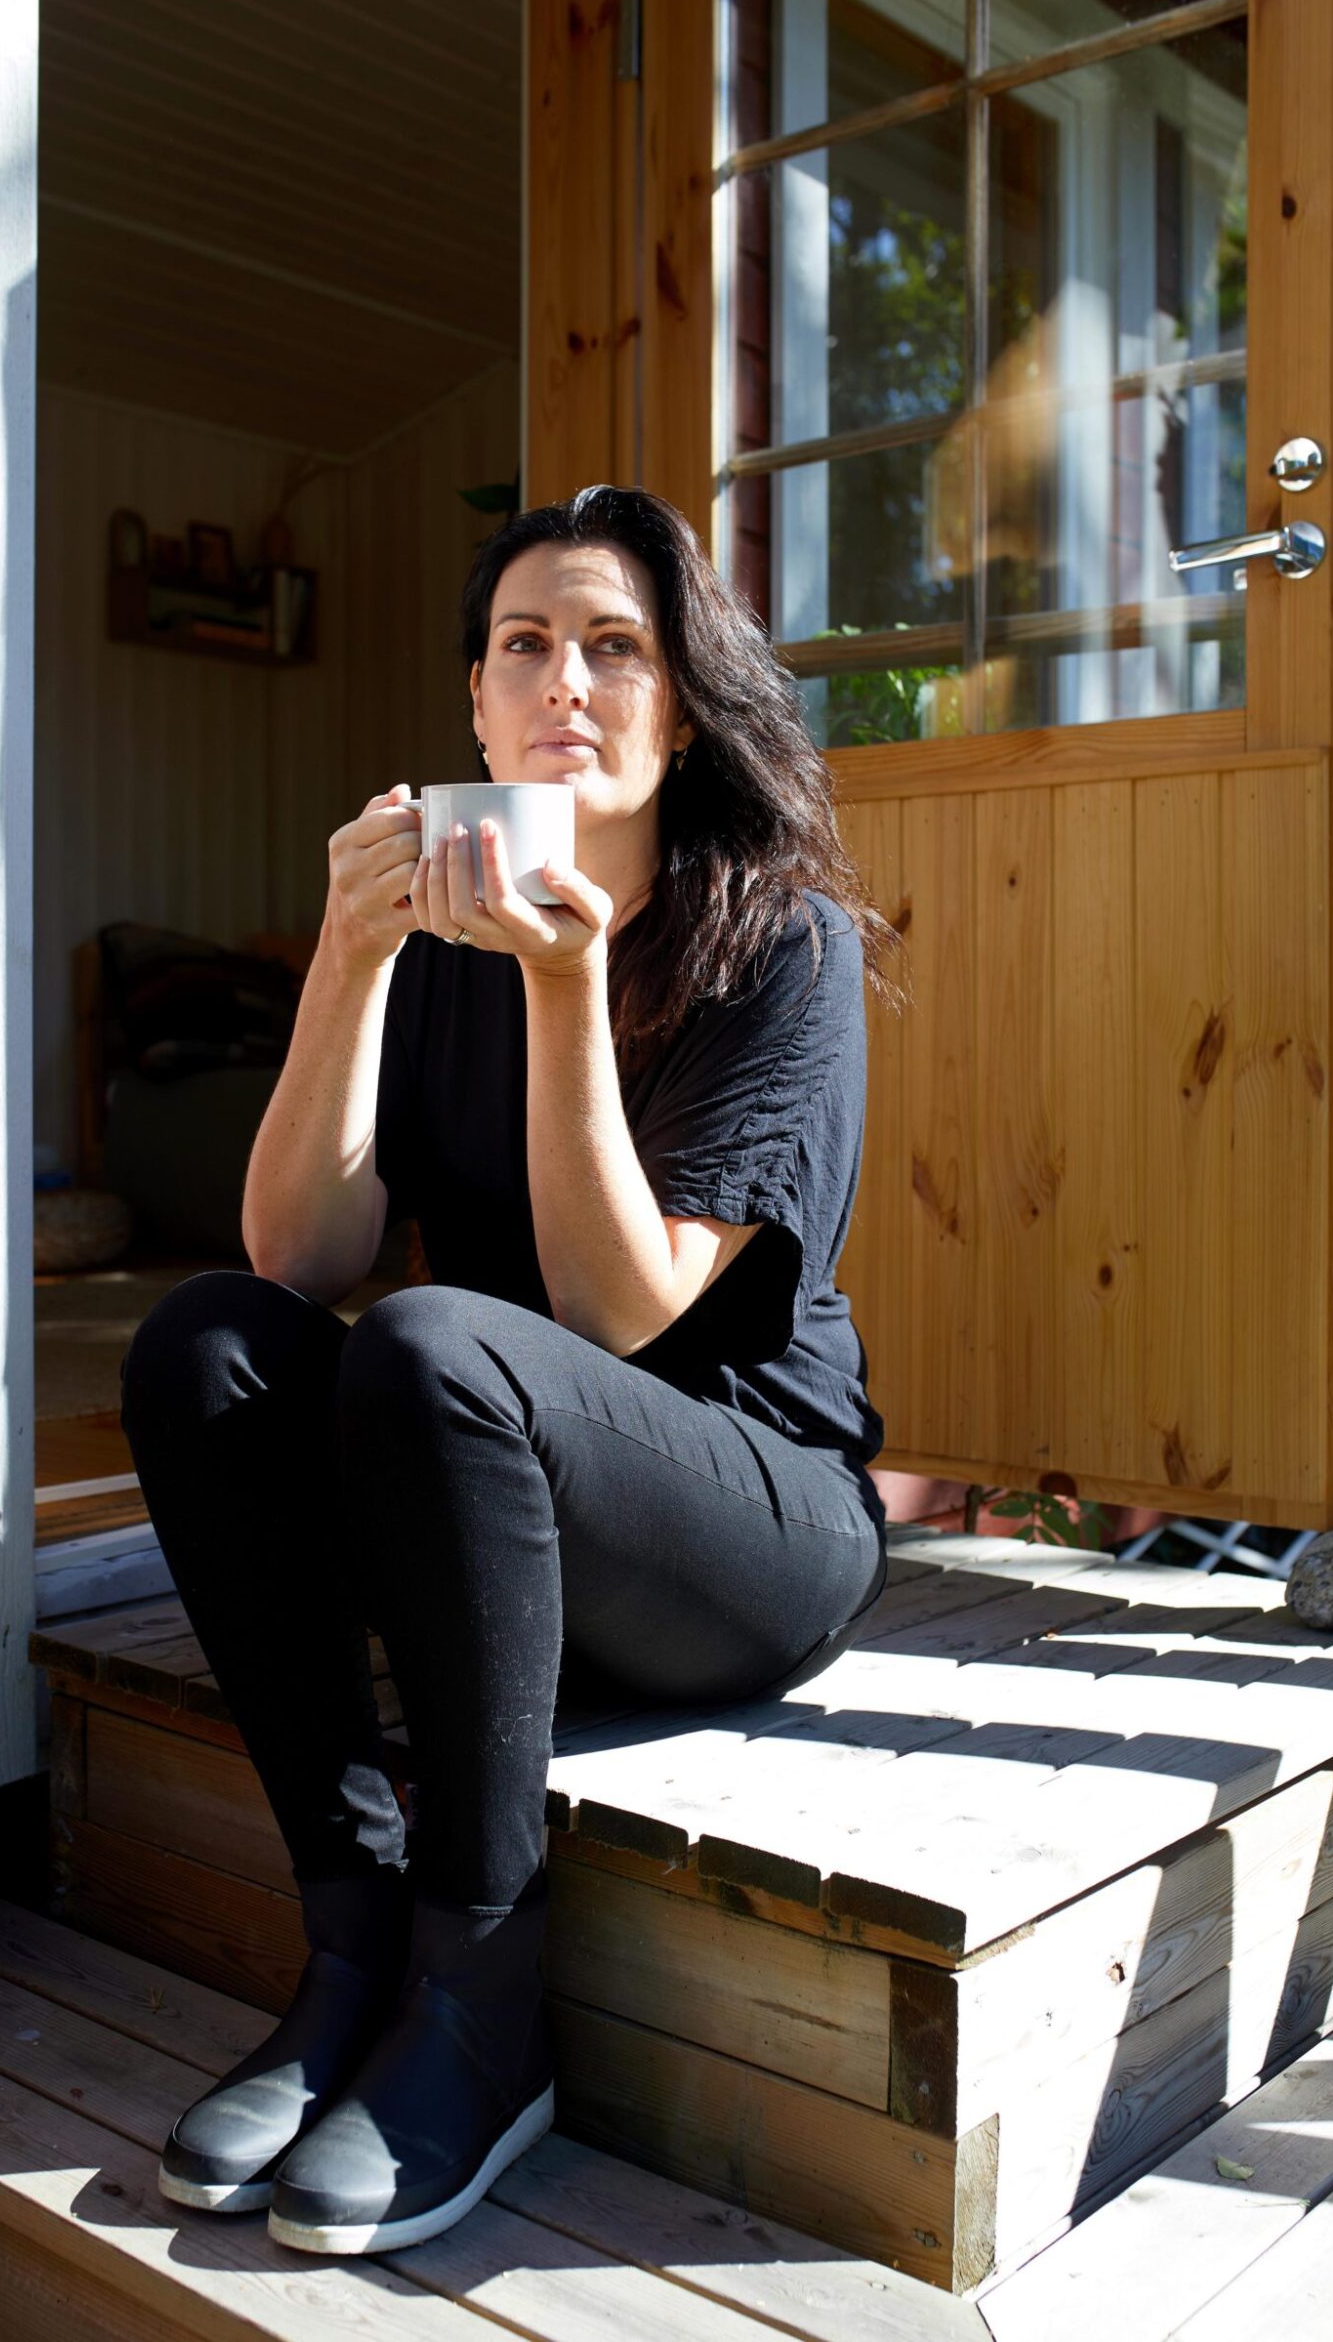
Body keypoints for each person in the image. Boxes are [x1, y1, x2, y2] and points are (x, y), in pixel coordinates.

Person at [117, 483, 908, 2257]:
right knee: (210, 1347)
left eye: (615, 648)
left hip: (743, 1527)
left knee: (434, 1341)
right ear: (473, 708)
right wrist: (348, 952)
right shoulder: (442, 943)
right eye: (524, 648)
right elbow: (295, 1255)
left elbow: (629, 1320)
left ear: (682, 706)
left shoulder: (780, 946)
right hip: (483, 1482)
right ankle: (350, 1943)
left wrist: (571, 988)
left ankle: (484, 2002)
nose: (566, 682)